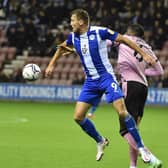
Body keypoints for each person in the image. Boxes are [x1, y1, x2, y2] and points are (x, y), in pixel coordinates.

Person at [45, 9, 157, 164]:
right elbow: (62, 47)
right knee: (78, 117)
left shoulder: (100, 32)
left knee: (122, 112)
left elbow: (124, 39)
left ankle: (141, 147)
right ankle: (100, 140)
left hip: (106, 78)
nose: (70, 24)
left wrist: (144, 54)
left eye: (73, 20)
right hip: (90, 82)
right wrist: (51, 65)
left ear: (81, 22)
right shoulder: (73, 37)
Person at [87, 24, 163, 168]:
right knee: (134, 129)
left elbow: (106, 41)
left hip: (130, 85)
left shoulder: (124, 39)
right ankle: (133, 166)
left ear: (130, 32)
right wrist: (143, 72)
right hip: (143, 87)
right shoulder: (146, 47)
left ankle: (148, 154)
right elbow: (160, 71)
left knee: (125, 130)